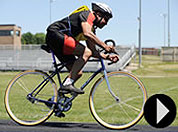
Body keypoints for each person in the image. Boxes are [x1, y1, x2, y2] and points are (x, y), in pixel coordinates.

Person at [45, 2, 119, 94]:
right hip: (55, 33)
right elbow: (87, 33)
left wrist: (107, 57)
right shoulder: (88, 15)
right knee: (86, 53)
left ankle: (56, 101)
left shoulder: (91, 29)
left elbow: (93, 52)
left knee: (77, 73)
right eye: (106, 19)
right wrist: (104, 46)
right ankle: (67, 84)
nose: (106, 23)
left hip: (60, 40)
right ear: (99, 14)